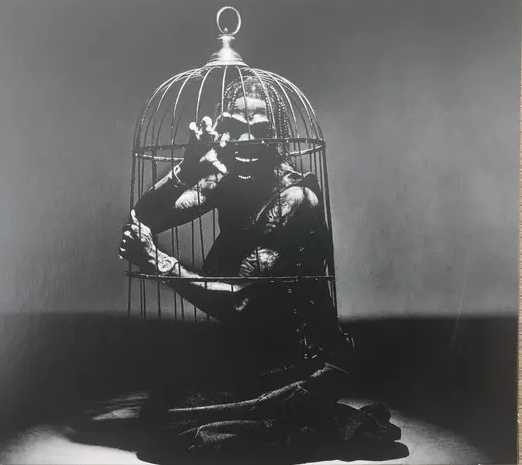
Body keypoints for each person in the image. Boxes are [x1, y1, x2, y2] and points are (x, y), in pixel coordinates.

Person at [118, 77, 406, 460]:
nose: (247, 141)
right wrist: (186, 169)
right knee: (159, 415)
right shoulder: (228, 179)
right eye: (236, 128)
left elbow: (240, 302)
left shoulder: (294, 199)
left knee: (179, 430)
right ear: (223, 132)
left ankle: (306, 411)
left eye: (260, 131)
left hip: (303, 363)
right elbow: (144, 218)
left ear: (278, 138)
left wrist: (157, 261)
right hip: (253, 352)